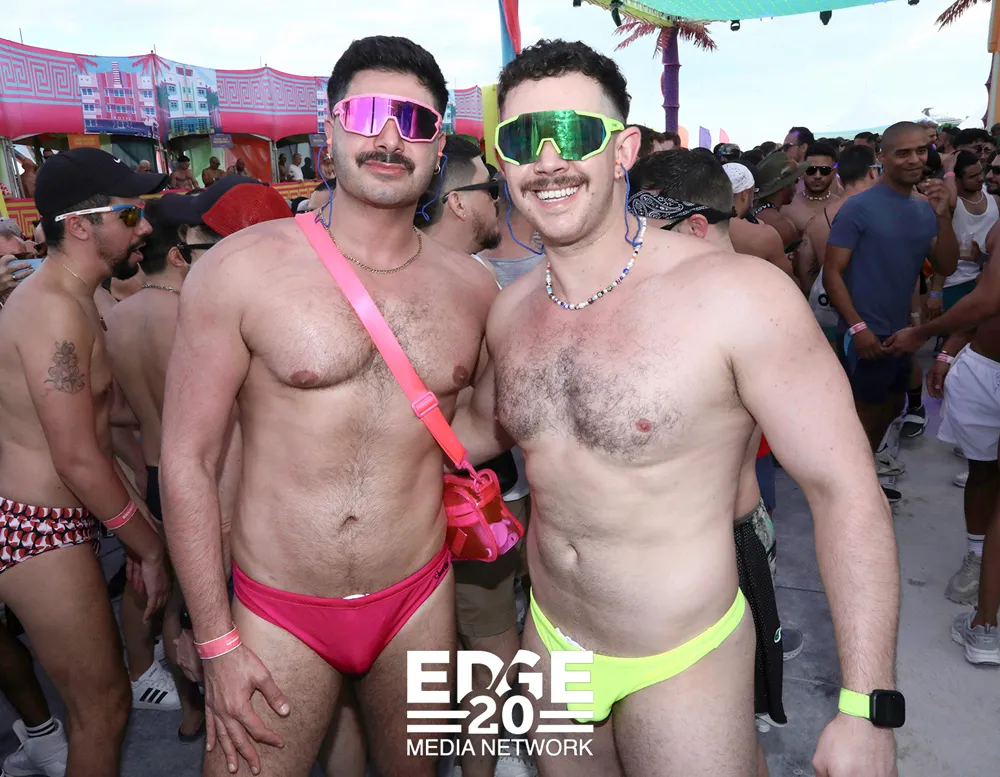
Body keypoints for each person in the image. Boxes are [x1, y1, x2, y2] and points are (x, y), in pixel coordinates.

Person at [462, 38, 902, 777]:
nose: (547, 159)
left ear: (622, 150)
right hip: (552, 645)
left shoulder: (736, 296)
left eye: (574, 132)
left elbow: (845, 490)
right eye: (522, 137)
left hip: (682, 657)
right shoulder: (510, 314)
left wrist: (866, 705)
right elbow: (476, 430)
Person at [160, 36, 499, 777]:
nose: (389, 137)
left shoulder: (473, 289)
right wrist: (213, 639)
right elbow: (188, 459)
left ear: (438, 144)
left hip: (417, 599)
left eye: (415, 121)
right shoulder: (239, 271)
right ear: (330, 128)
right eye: (368, 114)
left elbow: (489, 421)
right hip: (278, 608)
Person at [0, 147, 171, 777]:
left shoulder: (76, 299)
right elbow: (75, 457)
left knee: (102, 708)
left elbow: (104, 425)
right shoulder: (53, 309)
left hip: (58, 522)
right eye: (129, 215)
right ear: (79, 225)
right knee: (101, 711)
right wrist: (147, 546)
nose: (144, 227)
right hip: (36, 526)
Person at [413, 135, 534, 777]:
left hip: (443, 497)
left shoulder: (397, 271)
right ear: (458, 203)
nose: (498, 200)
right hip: (466, 500)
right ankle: (486, 760)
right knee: (487, 642)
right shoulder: (471, 286)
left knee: (453, 642)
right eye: (489, 189)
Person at [823, 121, 958, 503]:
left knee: (893, 405)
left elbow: (946, 264)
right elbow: (832, 273)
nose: (914, 159)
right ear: (882, 157)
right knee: (862, 417)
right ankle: (849, 496)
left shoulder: (925, 208)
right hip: (865, 333)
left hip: (901, 334)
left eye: (921, 151)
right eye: (903, 153)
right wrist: (858, 328)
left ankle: (862, 480)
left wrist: (943, 216)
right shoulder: (858, 208)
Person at [886, 223, 1000, 664]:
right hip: (984, 365)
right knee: (983, 471)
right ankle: (977, 558)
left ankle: (985, 625)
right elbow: (986, 298)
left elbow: (987, 298)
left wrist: (919, 335)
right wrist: (949, 350)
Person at [796, 145, 880, 338]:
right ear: (872, 172)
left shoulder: (816, 223)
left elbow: (806, 273)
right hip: (879, 316)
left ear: (839, 178)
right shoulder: (889, 214)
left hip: (833, 316)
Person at [928, 151, 1000, 314]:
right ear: (957, 180)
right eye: (972, 176)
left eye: (981, 172)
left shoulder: (992, 197)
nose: (981, 178)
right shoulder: (948, 205)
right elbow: (950, 203)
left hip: (985, 277)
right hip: (954, 282)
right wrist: (936, 292)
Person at [716, 161, 793, 278]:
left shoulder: (698, 226)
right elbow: (787, 278)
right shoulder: (764, 235)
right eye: (754, 192)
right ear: (745, 194)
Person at [782, 143, 841, 234]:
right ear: (802, 172)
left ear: (834, 173)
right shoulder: (787, 207)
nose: (817, 176)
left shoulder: (842, 207)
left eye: (825, 170)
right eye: (811, 170)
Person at [752, 151, 806, 249]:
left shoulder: (749, 213)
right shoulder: (781, 225)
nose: (796, 187)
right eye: (795, 181)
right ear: (785, 186)